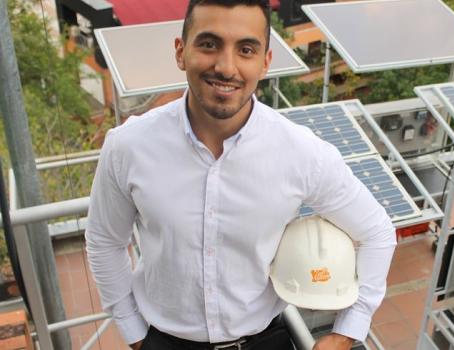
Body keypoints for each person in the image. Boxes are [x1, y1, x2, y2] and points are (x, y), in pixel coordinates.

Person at [85, 1, 396, 349]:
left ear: (264, 62)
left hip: (265, 341)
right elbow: (105, 242)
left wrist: (346, 332)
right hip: (163, 342)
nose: (226, 66)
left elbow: (377, 232)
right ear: (180, 51)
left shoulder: (301, 153)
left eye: (245, 49)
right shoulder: (128, 146)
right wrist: (135, 334)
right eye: (208, 44)